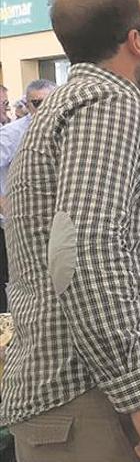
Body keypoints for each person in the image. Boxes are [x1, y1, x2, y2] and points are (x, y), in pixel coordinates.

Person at [0, 0, 140, 462]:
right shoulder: (108, 100)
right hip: (90, 405)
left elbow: (75, 237)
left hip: (79, 402)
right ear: (135, 41)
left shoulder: (66, 104)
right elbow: (82, 251)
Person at [0, 79, 57, 311]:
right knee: (25, 287)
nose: (43, 108)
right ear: (28, 104)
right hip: (18, 227)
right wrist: (3, 202)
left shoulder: (65, 127)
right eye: (36, 103)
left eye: (49, 101)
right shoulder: (12, 134)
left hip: (52, 223)